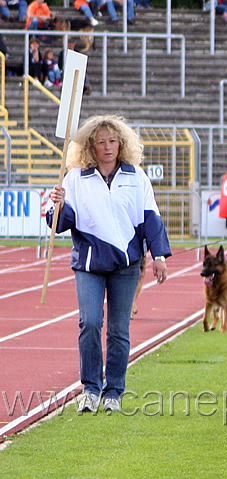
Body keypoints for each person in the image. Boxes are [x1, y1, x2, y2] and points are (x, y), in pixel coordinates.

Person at [46, 115, 171, 414]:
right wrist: (57, 204)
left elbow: (151, 219)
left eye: (112, 141)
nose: (107, 147)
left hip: (126, 264)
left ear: (121, 144)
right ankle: (90, 388)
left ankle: (113, 390)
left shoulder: (136, 177)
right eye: (100, 142)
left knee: (118, 330)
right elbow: (59, 224)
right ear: (90, 145)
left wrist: (160, 256)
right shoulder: (75, 178)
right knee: (89, 323)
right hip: (89, 263)